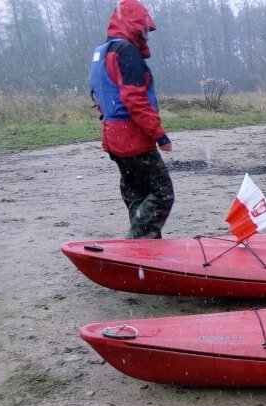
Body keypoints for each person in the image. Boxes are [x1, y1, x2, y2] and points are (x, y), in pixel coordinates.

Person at [90, 0, 174, 240]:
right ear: (134, 25)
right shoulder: (127, 52)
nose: (148, 35)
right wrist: (159, 134)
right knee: (162, 193)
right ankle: (137, 242)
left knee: (137, 194)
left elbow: (102, 95)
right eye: (146, 29)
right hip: (133, 138)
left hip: (113, 138)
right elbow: (134, 99)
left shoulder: (104, 51)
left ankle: (144, 255)